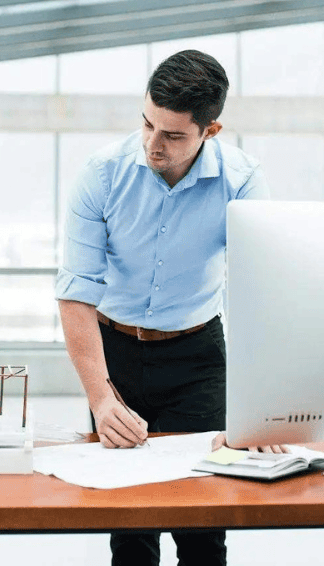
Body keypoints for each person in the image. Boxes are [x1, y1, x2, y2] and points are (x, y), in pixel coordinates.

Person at [55, 49, 281, 566]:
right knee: (130, 527)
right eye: (147, 123)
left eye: (173, 135)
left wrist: (260, 409)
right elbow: (77, 292)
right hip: (114, 353)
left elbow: (261, 294)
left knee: (202, 523)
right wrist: (101, 399)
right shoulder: (102, 175)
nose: (152, 144)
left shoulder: (243, 182)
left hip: (197, 355)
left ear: (210, 131)